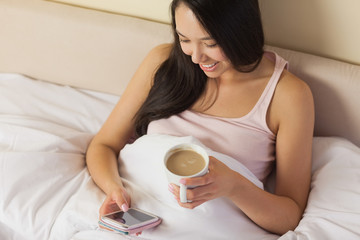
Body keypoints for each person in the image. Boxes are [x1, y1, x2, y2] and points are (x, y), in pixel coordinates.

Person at [86, 0, 314, 235]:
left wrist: (234, 186)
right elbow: (103, 145)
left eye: (210, 43)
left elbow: (290, 216)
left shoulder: (288, 95)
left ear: (242, 30)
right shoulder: (163, 62)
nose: (196, 58)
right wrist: (114, 188)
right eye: (184, 39)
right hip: (140, 219)